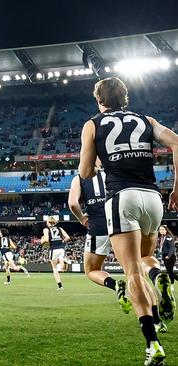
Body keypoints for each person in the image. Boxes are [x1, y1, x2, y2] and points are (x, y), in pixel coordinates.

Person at [79, 77, 178, 365]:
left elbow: (85, 173)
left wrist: (98, 159)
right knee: (148, 257)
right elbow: (177, 143)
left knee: (132, 271)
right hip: (153, 197)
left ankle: (153, 343)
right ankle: (159, 277)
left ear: (99, 100)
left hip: (122, 198)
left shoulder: (93, 124)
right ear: (125, 99)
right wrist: (176, 187)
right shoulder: (146, 119)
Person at [68, 167, 132, 313]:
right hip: (120, 224)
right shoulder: (113, 171)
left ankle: (115, 285)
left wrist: (82, 219)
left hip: (99, 227)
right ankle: (154, 315)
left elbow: (73, 203)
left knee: (91, 270)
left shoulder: (79, 178)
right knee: (133, 271)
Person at [41, 217, 70, 290]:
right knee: (62, 268)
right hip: (61, 248)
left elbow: (46, 240)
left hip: (53, 249)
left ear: (48, 222)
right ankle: (64, 262)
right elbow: (68, 237)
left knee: (55, 268)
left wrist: (41, 241)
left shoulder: (46, 229)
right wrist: (62, 241)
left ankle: (60, 286)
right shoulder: (60, 228)